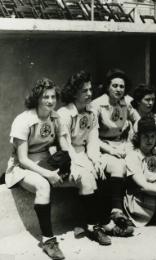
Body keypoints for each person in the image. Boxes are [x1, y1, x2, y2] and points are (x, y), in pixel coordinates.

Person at [4, 78, 98, 259]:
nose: (50, 101)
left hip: (48, 163)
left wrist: (75, 165)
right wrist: (48, 174)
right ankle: (48, 240)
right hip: (23, 168)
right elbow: (22, 159)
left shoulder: (55, 117)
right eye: (45, 97)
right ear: (37, 98)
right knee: (43, 186)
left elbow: (65, 145)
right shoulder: (23, 120)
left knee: (85, 178)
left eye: (53, 96)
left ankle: (93, 226)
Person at [57, 71, 112, 245]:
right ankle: (93, 225)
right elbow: (65, 145)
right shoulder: (64, 114)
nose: (89, 94)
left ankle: (103, 220)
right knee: (87, 176)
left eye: (90, 89)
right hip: (65, 156)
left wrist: (95, 160)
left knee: (103, 169)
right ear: (74, 93)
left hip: (83, 152)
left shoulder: (91, 112)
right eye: (84, 91)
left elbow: (93, 141)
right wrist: (81, 164)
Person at [90, 68, 137, 237]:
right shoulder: (97, 104)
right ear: (107, 87)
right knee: (118, 166)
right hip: (103, 146)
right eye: (115, 86)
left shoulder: (127, 102)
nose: (118, 89)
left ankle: (132, 212)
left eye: (122, 86)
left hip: (123, 144)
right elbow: (92, 136)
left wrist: (132, 138)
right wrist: (110, 150)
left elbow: (138, 119)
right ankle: (116, 210)